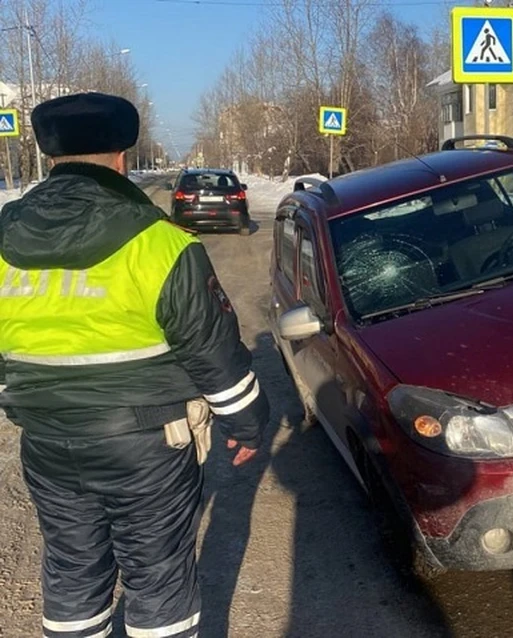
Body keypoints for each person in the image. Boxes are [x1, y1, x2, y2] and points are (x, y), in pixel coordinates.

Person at [0, 92, 269, 637]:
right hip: (148, 448)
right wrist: (248, 424)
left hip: (48, 442)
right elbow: (212, 348)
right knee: (159, 577)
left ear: (49, 157)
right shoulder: (160, 243)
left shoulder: (4, 238)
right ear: (122, 156)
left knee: (72, 570)